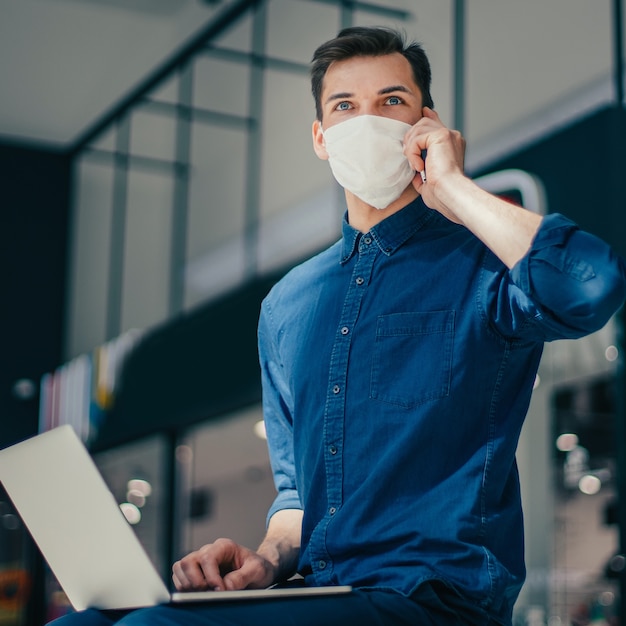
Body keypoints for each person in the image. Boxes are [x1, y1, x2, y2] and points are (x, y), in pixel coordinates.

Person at [50, 26, 626, 626]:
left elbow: (591, 285)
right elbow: (298, 492)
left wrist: (453, 187)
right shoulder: (287, 303)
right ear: (322, 138)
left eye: (391, 102)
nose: (367, 121)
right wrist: (266, 560)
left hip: (432, 599)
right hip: (322, 592)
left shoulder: (483, 262)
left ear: (424, 124)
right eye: (344, 107)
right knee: (84, 621)